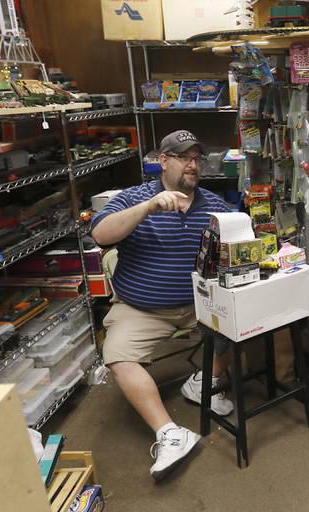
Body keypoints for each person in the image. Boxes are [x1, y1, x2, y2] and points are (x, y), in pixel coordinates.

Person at [91, 130, 234, 480]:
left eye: (198, 158)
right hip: (143, 308)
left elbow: (243, 239)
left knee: (242, 320)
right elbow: (100, 234)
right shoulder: (134, 198)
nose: (193, 165)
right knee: (119, 356)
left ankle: (204, 382)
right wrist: (149, 207)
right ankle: (171, 433)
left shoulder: (214, 205)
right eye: (185, 157)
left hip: (198, 304)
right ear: (163, 161)